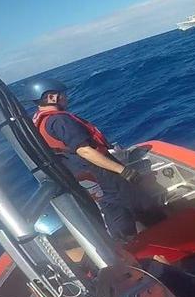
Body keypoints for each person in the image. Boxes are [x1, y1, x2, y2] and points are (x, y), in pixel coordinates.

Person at [26, 78, 165, 240]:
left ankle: (127, 245)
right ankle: (171, 237)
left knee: (114, 209)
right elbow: (85, 151)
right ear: (51, 97)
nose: (66, 97)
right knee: (143, 206)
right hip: (101, 172)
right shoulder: (59, 120)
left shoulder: (39, 120)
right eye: (62, 94)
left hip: (85, 175)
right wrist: (123, 170)